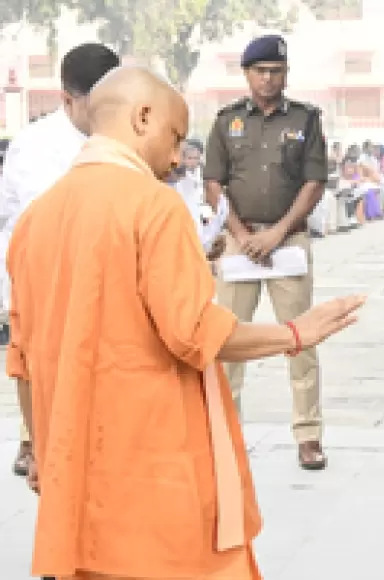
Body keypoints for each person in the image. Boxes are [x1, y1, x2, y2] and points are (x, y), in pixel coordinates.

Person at [7, 65, 365, 580]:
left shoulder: (36, 221)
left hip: (76, 470)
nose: (177, 157)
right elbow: (195, 332)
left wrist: (41, 450)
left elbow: (22, 358)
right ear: (142, 117)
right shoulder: (154, 206)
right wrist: (294, 334)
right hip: (155, 472)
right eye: (174, 136)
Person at [204, 35, 331, 470]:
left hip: (287, 241)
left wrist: (276, 234)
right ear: (247, 74)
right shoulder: (226, 122)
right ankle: (225, 431)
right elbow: (214, 182)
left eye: (276, 71)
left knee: (301, 340)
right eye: (260, 71)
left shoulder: (306, 120)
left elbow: (314, 182)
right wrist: (241, 233)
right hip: (240, 242)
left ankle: (308, 435)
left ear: (286, 73)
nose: (268, 79)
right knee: (226, 339)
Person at [0, 42, 120, 479]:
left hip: (99, 279)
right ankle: (37, 443)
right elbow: (47, 221)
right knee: (40, 367)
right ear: (67, 99)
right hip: (43, 279)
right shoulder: (37, 146)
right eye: (98, 105)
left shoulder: (118, 139)